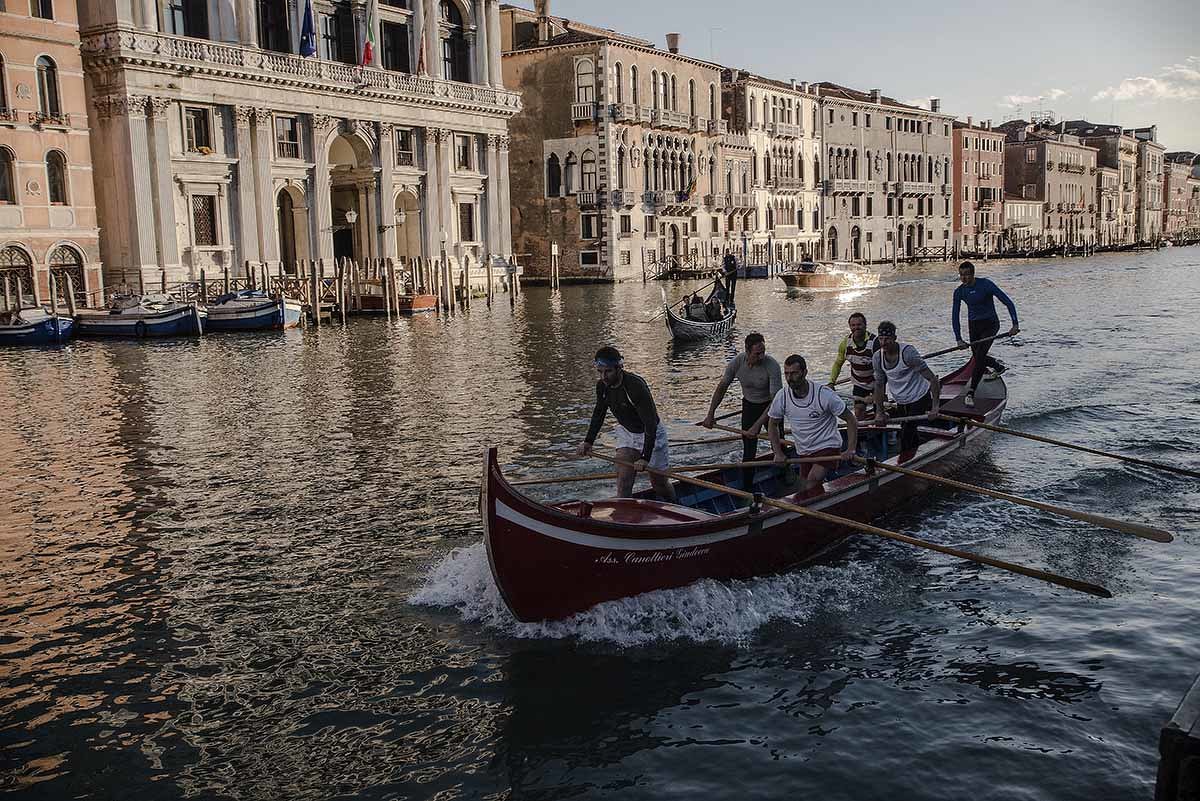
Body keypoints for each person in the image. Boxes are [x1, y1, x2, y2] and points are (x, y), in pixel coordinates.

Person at [578, 346, 677, 502]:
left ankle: (677, 506)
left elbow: (650, 424)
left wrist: (645, 457)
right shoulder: (602, 387)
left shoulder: (636, 386)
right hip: (628, 434)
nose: (604, 377)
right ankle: (624, 520)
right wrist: (588, 441)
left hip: (651, 434)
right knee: (623, 482)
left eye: (608, 371)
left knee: (659, 485)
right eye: (600, 372)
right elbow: (599, 413)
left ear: (619, 368)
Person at [700, 332, 783, 490]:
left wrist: (757, 425)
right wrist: (710, 414)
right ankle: (747, 489)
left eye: (763, 352)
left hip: (771, 408)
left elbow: (775, 401)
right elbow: (722, 387)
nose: (761, 356)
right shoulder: (737, 362)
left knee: (778, 445)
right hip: (749, 406)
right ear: (747, 351)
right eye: (757, 353)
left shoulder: (772, 365)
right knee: (748, 451)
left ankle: (785, 474)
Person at [767, 354, 858, 492]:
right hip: (804, 450)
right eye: (786, 374)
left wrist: (851, 448)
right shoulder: (783, 396)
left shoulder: (824, 395)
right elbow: (772, 424)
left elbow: (851, 420)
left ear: (804, 372)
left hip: (827, 447)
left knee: (812, 480)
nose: (789, 378)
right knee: (804, 488)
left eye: (794, 373)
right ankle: (819, 501)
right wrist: (778, 452)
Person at [952, 261, 1019, 408]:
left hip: (990, 323)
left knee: (980, 356)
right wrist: (958, 339)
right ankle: (997, 366)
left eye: (967, 275)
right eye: (961, 275)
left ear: (973, 274)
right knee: (977, 356)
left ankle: (970, 392)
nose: (964, 278)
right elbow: (955, 316)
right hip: (974, 325)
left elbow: (1008, 302)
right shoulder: (959, 292)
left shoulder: (986, 284)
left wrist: (1015, 324)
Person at [872, 321, 941, 456]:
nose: (883, 343)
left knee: (906, 432)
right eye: (881, 339)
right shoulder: (877, 358)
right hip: (901, 400)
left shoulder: (908, 353)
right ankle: (917, 454)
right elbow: (879, 386)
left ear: (894, 338)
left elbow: (933, 379)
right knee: (908, 428)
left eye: (887, 339)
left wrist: (935, 407)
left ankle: (903, 460)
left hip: (920, 396)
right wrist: (879, 412)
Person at [827, 312, 880, 420]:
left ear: (865, 325)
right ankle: (861, 432)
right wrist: (831, 382)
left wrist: (876, 395)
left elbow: (883, 370)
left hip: (877, 382)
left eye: (859, 325)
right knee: (859, 410)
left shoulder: (875, 343)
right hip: (859, 383)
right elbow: (838, 364)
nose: (856, 328)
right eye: (853, 325)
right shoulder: (845, 343)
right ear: (850, 327)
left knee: (879, 412)